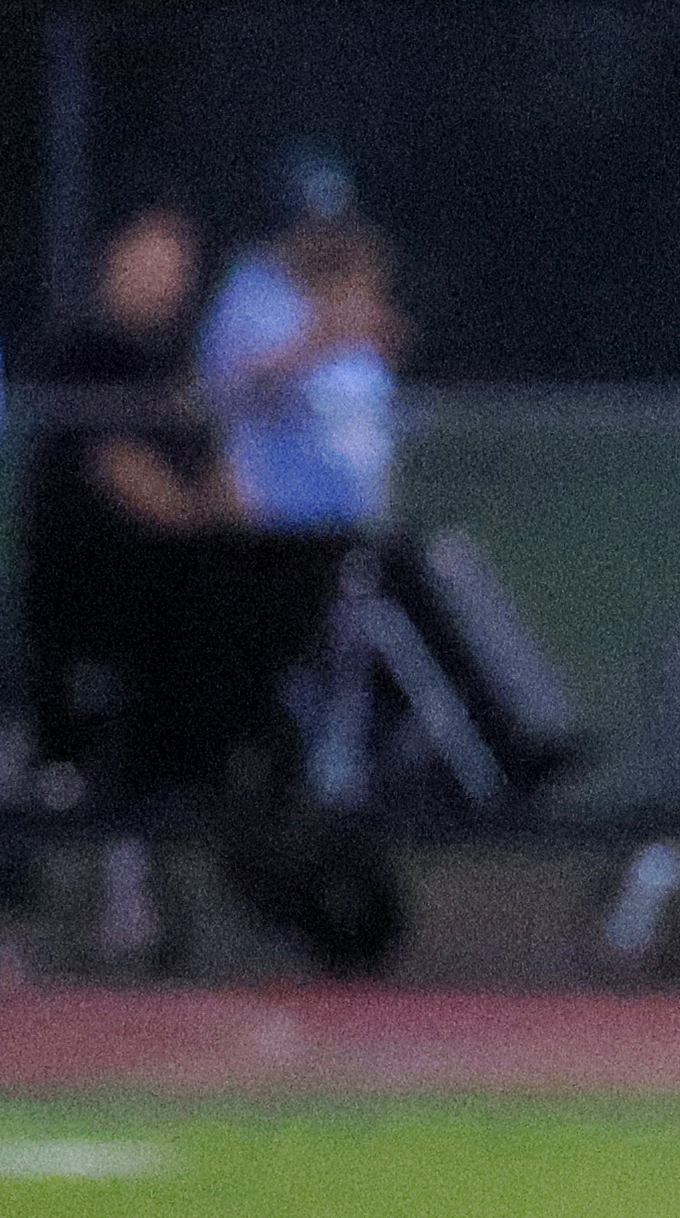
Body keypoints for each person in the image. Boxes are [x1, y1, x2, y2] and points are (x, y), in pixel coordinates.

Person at [14, 201, 232, 960]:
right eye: (151, 255)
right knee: (68, 765)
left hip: (157, 614)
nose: (166, 276)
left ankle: (143, 928)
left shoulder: (174, 360)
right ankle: (66, 930)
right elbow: (125, 472)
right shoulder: (88, 349)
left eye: (179, 262)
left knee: (155, 768)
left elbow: (214, 468)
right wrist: (206, 526)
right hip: (82, 605)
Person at [197, 152, 404, 540]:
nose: (325, 237)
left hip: (353, 512)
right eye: (313, 224)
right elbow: (225, 388)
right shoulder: (251, 288)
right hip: (274, 513)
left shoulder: (353, 284)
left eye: (333, 225)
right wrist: (321, 339)